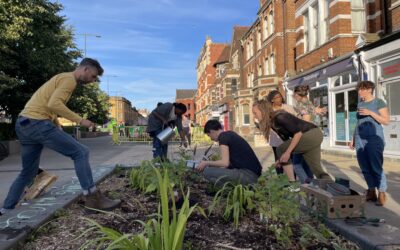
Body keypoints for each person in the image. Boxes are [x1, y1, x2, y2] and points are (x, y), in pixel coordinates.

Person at [0, 58, 121, 216]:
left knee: (28, 172)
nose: (93, 81)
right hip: (37, 123)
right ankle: (93, 198)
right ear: (85, 69)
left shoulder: (61, 77)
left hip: (24, 123)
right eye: (93, 76)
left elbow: (47, 104)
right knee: (80, 152)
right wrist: (80, 120)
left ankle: (6, 209)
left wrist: (56, 123)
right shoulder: (69, 80)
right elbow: (54, 104)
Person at [252, 99, 331, 181]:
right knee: (317, 170)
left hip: (311, 134)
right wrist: (280, 160)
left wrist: (287, 153)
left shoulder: (280, 117)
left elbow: (298, 133)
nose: (254, 116)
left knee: (280, 149)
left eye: (255, 113)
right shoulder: (272, 122)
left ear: (263, 111)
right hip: (313, 135)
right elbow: (286, 141)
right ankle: (334, 188)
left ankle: (292, 184)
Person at [349, 81, 389, 206]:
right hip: (360, 138)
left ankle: (382, 192)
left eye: (361, 90)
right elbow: (358, 122)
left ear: (369, 90)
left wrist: (371, 113)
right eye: (358, 90)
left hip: (374, 138)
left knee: (376, 166)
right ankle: (371, 192)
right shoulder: (360, 103)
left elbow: (386, 121)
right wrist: (353, 138)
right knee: (365, 167)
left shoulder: (378, 102)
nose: (359, 92)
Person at [195, 119, 262, 186]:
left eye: (209, 135)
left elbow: (225, 163)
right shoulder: (230, 134)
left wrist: (206, 163)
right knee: (214, 176)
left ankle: (229, 191)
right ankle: (229, 191)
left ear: (212, 131)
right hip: (253, 175)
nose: (211, 139)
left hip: (248, 175)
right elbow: (229, 163)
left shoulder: (223, 137)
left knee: (206, 171)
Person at [265, 90, 296, 175]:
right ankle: (280, 178)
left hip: (289, 138)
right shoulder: (269, 110)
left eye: (280, 97)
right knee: (278, 160)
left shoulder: (288, 108)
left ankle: (292, 178)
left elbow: (295, 121)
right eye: (277, 97)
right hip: (276, 139)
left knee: (291, 158)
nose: (279, 99)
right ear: (272, 100)